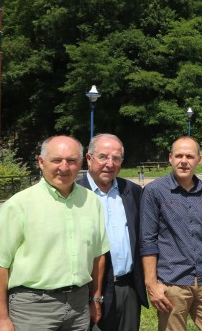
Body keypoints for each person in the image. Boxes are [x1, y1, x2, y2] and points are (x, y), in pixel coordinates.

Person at [0, 136, 110, 331]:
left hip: (78, 306)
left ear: (80, 163)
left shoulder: (91, 201)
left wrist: (95, 298)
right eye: (56, 160)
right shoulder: (19, 205)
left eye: (71, 161)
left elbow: (98, 256)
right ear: (41, 162)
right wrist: (0, 318)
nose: (64, 167)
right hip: (33, 307)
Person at [141, 136, 202, 331]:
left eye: (189, 156)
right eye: (179, 155)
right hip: (173, 283)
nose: (184, 160)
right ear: (170, 158)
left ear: (198, 159)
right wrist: (151, 284)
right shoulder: (155, 191)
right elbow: (147, 240)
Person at [78, 134, 148, 331]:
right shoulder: (75, 193)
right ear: (89, 158)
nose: (109, 163)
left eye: (116, 158)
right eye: (103, 157)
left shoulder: (133, 191)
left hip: (128, 287)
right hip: (88, 291)